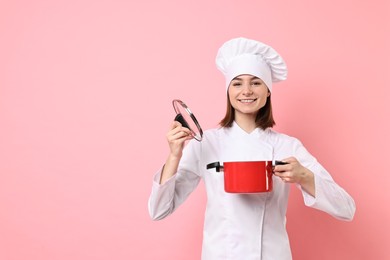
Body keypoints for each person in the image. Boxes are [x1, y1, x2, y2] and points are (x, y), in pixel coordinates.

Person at [148, 37, 356, 260]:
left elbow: (347, 209)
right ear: (228, 91)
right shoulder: (206, 143)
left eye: (255, 82)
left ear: (268, 91)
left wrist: (303, 176)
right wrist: (174, 156)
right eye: (237, 83)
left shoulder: (287, 145)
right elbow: (159, 211)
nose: (246, 91)